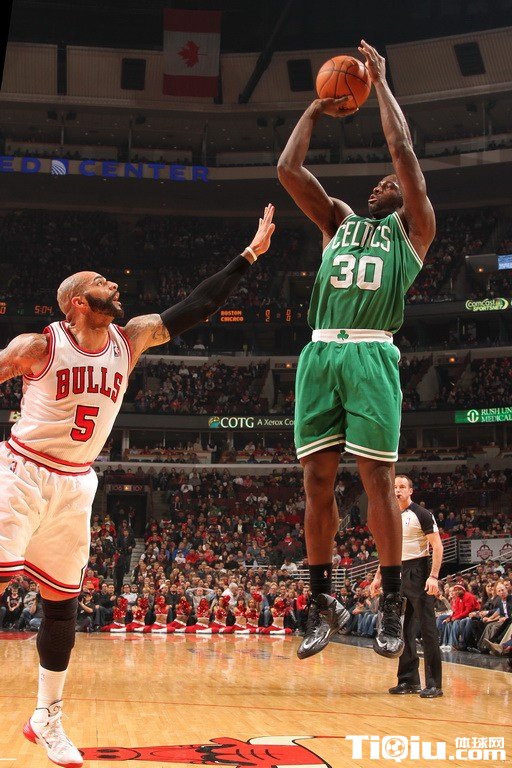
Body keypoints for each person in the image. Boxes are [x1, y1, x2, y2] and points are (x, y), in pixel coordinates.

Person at [0, 205, 275, 766]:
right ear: (77, 301)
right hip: (22, 471)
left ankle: (46, 717)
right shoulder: (40, 346)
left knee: (61, 605)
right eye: (102, 282)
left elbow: (197, 306)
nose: (114, 285)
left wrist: (248, 256)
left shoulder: (131, 339)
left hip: (76, 484)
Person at [277, 40, 435, 660]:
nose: (381, 183)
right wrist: (315, 110)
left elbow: (402, 151)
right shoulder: (338, 222)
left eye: (391, 183)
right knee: (316, 480)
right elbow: (289, 171)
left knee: (377, 478)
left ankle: (392, 600)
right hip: (321, 353)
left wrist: (382, 85)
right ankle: (322, 601)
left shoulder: (414, 230)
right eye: (379, 182)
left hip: (371, 355)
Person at [371, 475, 444, 698]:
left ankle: (434, 684)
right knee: (403, 630)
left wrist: (433, 576)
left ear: (410, 491)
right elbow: (387, 550)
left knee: (428, 630)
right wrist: (377, 577)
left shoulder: (422, 514)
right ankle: (408, 680)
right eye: (394, 487)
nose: (397, 490)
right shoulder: (389, 516)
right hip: (397, 571)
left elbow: (437, 546)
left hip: (419, 571)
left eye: (402, 487)